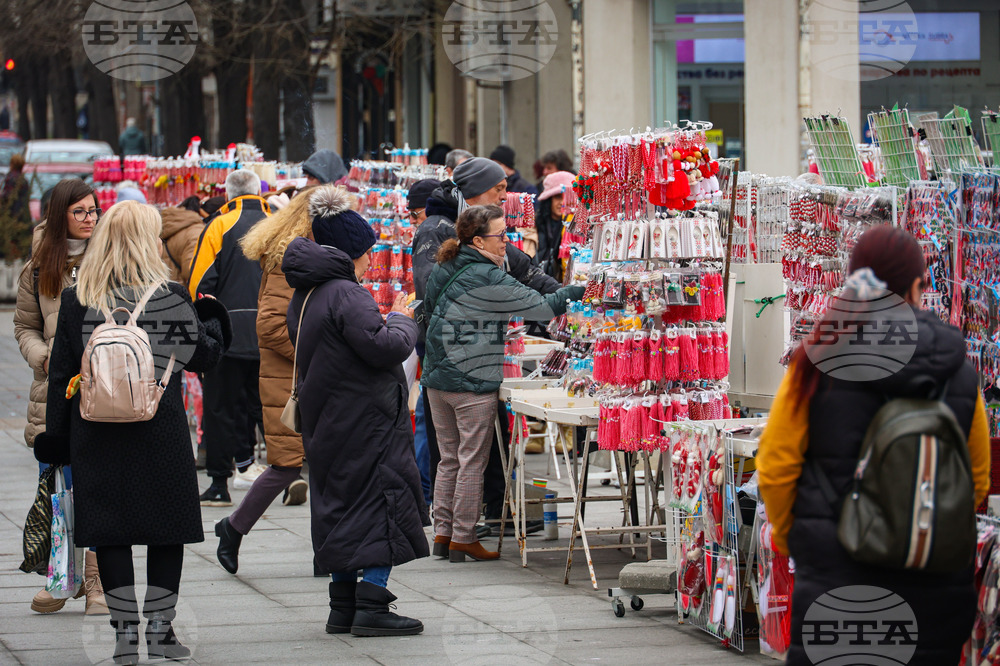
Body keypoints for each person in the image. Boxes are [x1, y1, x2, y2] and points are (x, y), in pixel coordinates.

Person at [756, 226, 990, 665]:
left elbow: (775, 465)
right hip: (934, 583)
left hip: (837, 582)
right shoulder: (956, 369)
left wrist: (801, 542)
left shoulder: (819, 358)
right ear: (917, 287)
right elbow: (975, 478)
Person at [33, 200, 231, 666]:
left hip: (94, 431)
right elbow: (204, 358)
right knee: (167, 532)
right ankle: (161, 633)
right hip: (157, 432)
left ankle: (124, 637)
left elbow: (61, 376)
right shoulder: (167, 297)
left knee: (111, 533)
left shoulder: (78, 299)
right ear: (149, 241)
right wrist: (214, 318)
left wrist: (57, 442)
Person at [283, 184, 427, 636]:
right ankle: (373, 607)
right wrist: (403, 318)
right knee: (379, 504)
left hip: (328, 419)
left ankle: (342, 606)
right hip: (365, 422)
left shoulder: (307, 293)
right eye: (365, 251)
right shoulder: (347, 293)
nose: (370, 259)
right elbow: (384, 348)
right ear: (349, 252)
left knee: (339, 508)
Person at [423, 205, 583, 562]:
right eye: (500, 235)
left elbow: (431, 308)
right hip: (471, 379)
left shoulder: (445, 265)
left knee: (449, 459)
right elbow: (541, 307)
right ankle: (463, 536)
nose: (506, 242)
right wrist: (580, 289)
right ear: (478, 240)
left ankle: (443, 534)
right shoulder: (487, 275)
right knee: (470, 461)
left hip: (437, 376)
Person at [412, 158, 560, 524]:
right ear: (475, 191)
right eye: (498, 189)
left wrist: (566, 296)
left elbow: (528, 272)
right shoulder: (436, 229)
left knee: (478, 444)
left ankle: (481, 513)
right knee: (461, 454)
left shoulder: (478, 228)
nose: (505, 195)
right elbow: (435, 290)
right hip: (453, 359)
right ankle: (459, 529)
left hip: (473, 357)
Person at [210, 187, 321, 576]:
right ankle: (233, 528)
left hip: (305, 376)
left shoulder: (309, 255)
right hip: (287, 380)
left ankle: (327, 554)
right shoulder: (286, 258)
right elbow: (271, 326)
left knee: (321, 465)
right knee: (286, 465)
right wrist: (320, 353)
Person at [14, 178, 108, 616]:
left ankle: (95, 582)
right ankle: (62, 577)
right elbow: (24, 326)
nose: (91, 219)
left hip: (102, 387)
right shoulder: (39, 265)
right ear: (60, 216)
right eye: (81, 212)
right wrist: (42, 356)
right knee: (60, 488)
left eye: (94, 210)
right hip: (53, 391)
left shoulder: (109, 258)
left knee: (99, 486)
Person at [188, 170, 270, 505]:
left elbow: (200, 285)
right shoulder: (277, 222)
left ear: (228, 193)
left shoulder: (219, 225)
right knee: (268, 405)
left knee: (221, 407)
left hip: (229, 333)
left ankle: (219, 483)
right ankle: (287, 470)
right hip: (271, 331)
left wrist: (207, 329)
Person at [535, 171, 575, 281]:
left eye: (567, 197)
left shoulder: (577, 229)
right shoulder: (534, 225)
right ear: (549, 200)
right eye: (557, 197)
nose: (562, 202)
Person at [160, 198, 206, 286]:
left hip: (165, 286)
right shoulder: (196, 231)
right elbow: (191, 269)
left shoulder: (167, 223)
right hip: (182, 289)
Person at [1, 153, 31, 259]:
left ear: (12, 164)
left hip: (11, 215)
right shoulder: (24, 180)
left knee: (11, 240)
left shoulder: (11, 178)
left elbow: (7, 197)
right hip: (21, 215)